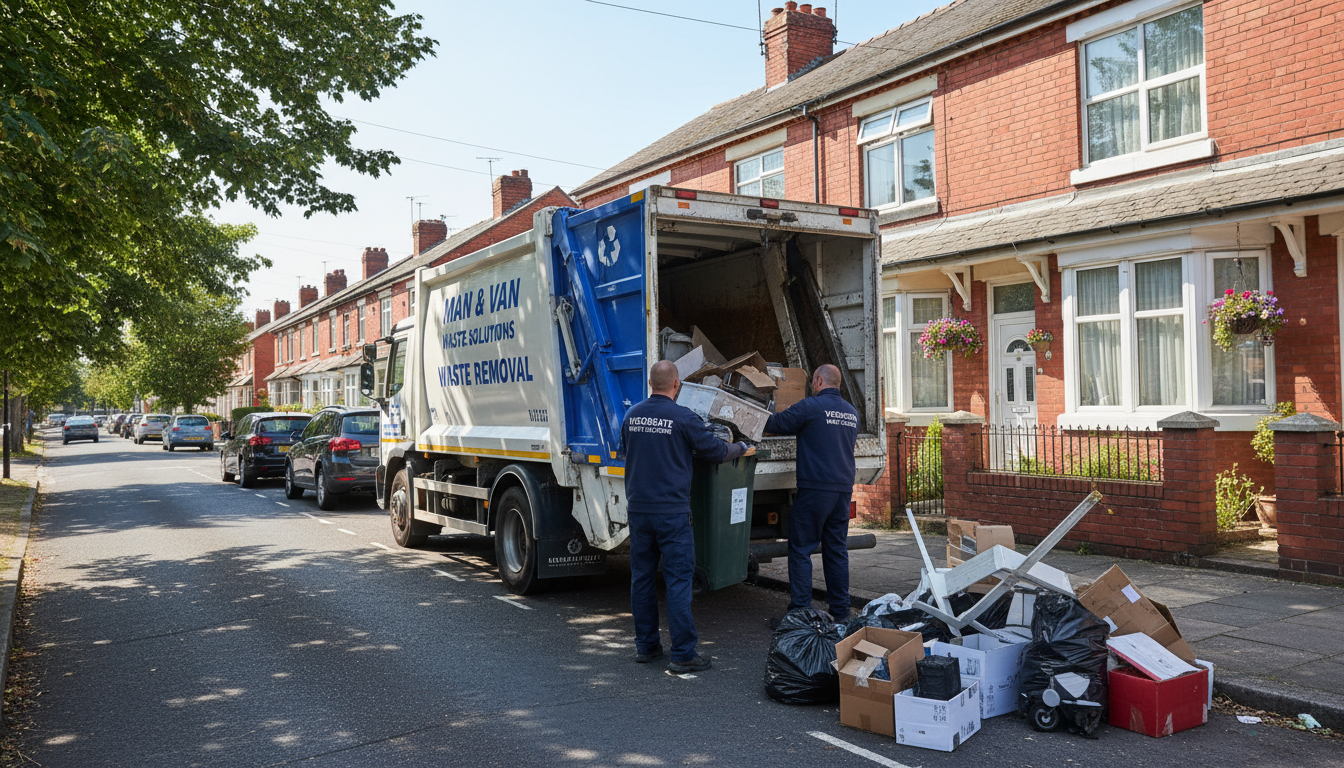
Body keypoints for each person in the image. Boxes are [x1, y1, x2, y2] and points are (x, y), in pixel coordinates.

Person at [621, 360, 755, 673]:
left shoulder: (631, 416)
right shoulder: (683, 417)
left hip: (639, 511)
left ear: (651, 384)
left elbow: (627, 452)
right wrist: (742, 447)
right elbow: (716, 451)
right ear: (676, 385)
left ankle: (646, 647)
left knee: (641, 579)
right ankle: (682, 653)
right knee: (678, 581)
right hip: (671, 514)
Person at [763, 364, 859, 622]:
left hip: (816, 488)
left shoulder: (811, 407)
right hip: (842, 490)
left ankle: (800, 614)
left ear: (817, 381)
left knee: (801, 548)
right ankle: (840, 614)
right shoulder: (851, 413)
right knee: (836, 550)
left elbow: (777, 423)